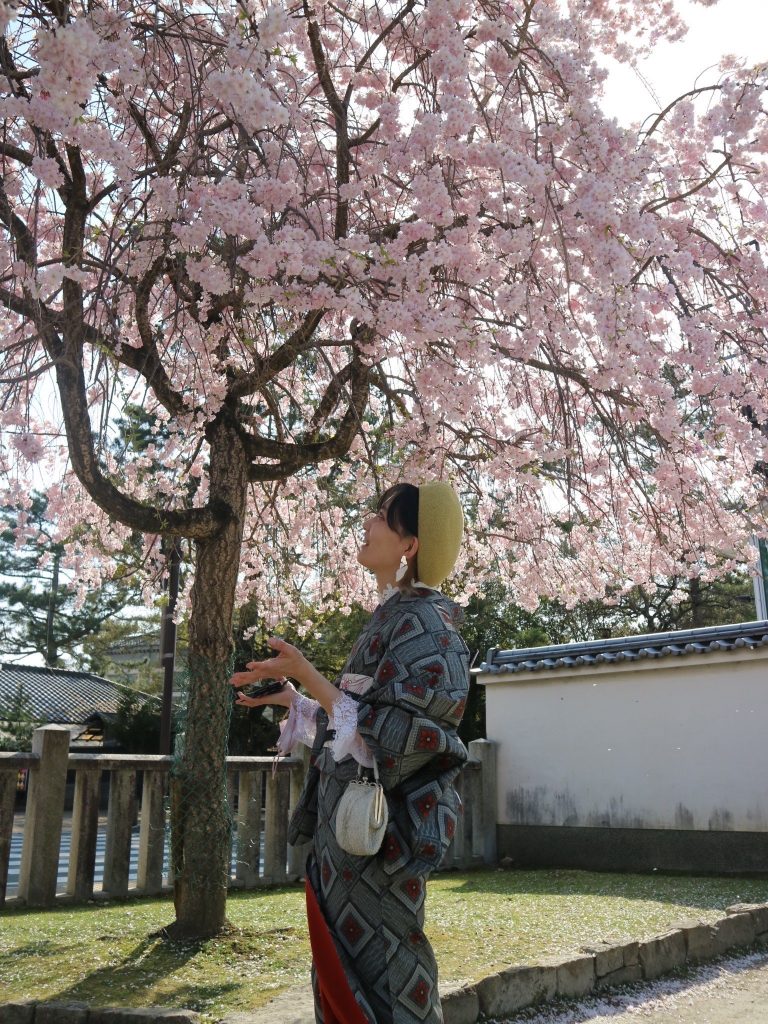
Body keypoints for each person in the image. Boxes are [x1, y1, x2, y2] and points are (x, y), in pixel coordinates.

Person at [230, 481, 469, 1024]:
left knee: (386, 979)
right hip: (349, 849)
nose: (368, 521)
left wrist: (310, 675)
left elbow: (402, 738)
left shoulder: (429, 625)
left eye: (383, 515)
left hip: (380, 853)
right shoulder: (390, 616)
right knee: (347, 978)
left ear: (410, 544)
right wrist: (297, 696)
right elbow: (353, 727)